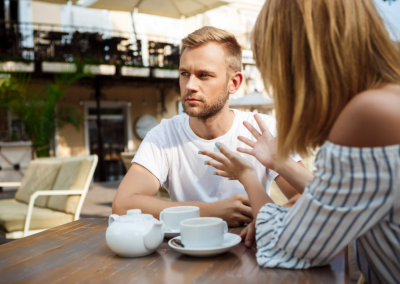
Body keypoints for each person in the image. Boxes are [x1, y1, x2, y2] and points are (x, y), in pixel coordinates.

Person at [198, 0, 400, 283]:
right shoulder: (389, 97)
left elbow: (285, 244)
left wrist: (248, 175)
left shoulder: (368, 115)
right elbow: (342, 198)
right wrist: (280, 164)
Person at [112, 27, 305, 233]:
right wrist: (208, 212)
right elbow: (123, 205)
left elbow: (305, 198)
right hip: (185, 253)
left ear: (234, 82)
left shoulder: (262, 130)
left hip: (250, 250)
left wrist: (270, 219)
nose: (190, 85)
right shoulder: (165, 135)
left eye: (204, 75)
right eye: (184, 74)